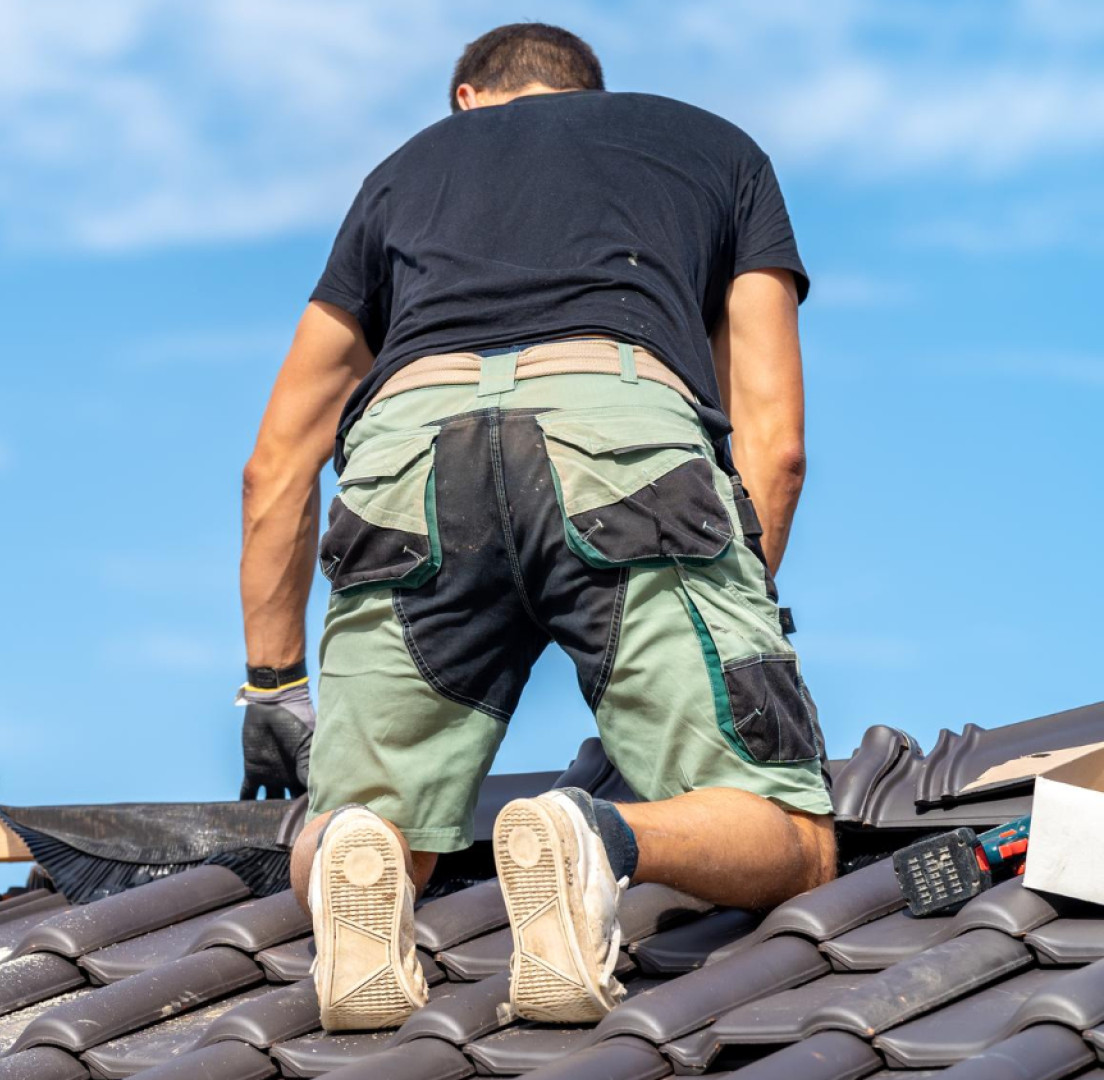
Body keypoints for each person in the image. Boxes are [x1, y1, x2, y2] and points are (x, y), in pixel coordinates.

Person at [235, 23, 837, 1031]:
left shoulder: (402, 174)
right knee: (790, 833)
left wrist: (273, 686)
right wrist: (735, 633)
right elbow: (775, 443)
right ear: (589, 93)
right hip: (619, 431)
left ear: (467, 98)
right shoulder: (716, 148)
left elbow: (277, 464)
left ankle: (357, 854)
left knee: (360, 824)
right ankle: (595, 840)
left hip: (408, 457)